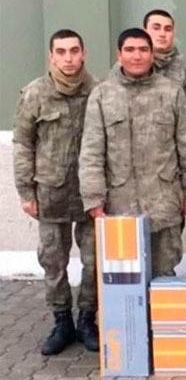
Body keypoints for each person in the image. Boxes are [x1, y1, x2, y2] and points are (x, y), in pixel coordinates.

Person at [79, 28, 186, 278]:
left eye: (144, 50)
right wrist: (93, 197)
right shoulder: (102, 94)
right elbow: (91, 151)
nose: (137, 56)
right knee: (123, 277)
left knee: (164, 273)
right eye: (130, 50)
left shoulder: (172, 92)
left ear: (152, 54)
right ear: (119, 54)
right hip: (118, 205)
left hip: (163, 202)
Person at [13, 29, 98, 355]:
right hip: (51, 191)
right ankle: (62, 321)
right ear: (52, 56)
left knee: (94, 260)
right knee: (53, 260)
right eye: (61, 52)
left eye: (74, 51)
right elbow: (23, 144)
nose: (68, 58)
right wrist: (26, 191)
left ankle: (87, 319)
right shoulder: (35, 93)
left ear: (83, 53)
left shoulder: (98, 91)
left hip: (90, 193)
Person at [143, 9, 186, 105]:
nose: (162, 34)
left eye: (168, 29)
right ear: (145, 31)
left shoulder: (185, 70)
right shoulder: (129, 66)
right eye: (156, 28)